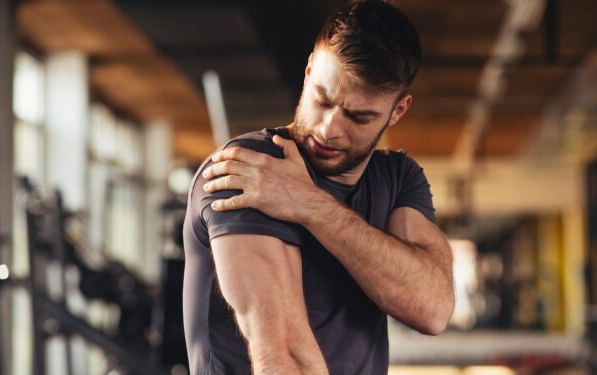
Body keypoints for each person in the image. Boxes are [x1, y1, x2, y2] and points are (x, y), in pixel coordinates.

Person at [183, 1, 455, 374]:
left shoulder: (397, 178)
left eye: (359, 116)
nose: (329, 128)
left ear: (398, 111)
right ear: (309, 70)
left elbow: (433, 308)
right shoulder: (251, 169)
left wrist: (312, 205)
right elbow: (283, 356)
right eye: (322, 99)